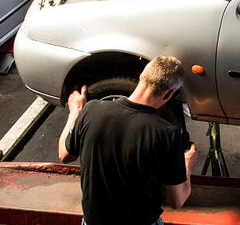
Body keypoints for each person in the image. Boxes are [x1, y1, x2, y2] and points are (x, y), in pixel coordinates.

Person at [58, 55, 197, 225]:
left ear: (141, 77)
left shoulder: (91, 110)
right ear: (168, 94)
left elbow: (65, 155)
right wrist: (187, 165)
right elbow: (176, 201)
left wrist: (75, 112)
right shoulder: (167, 134)